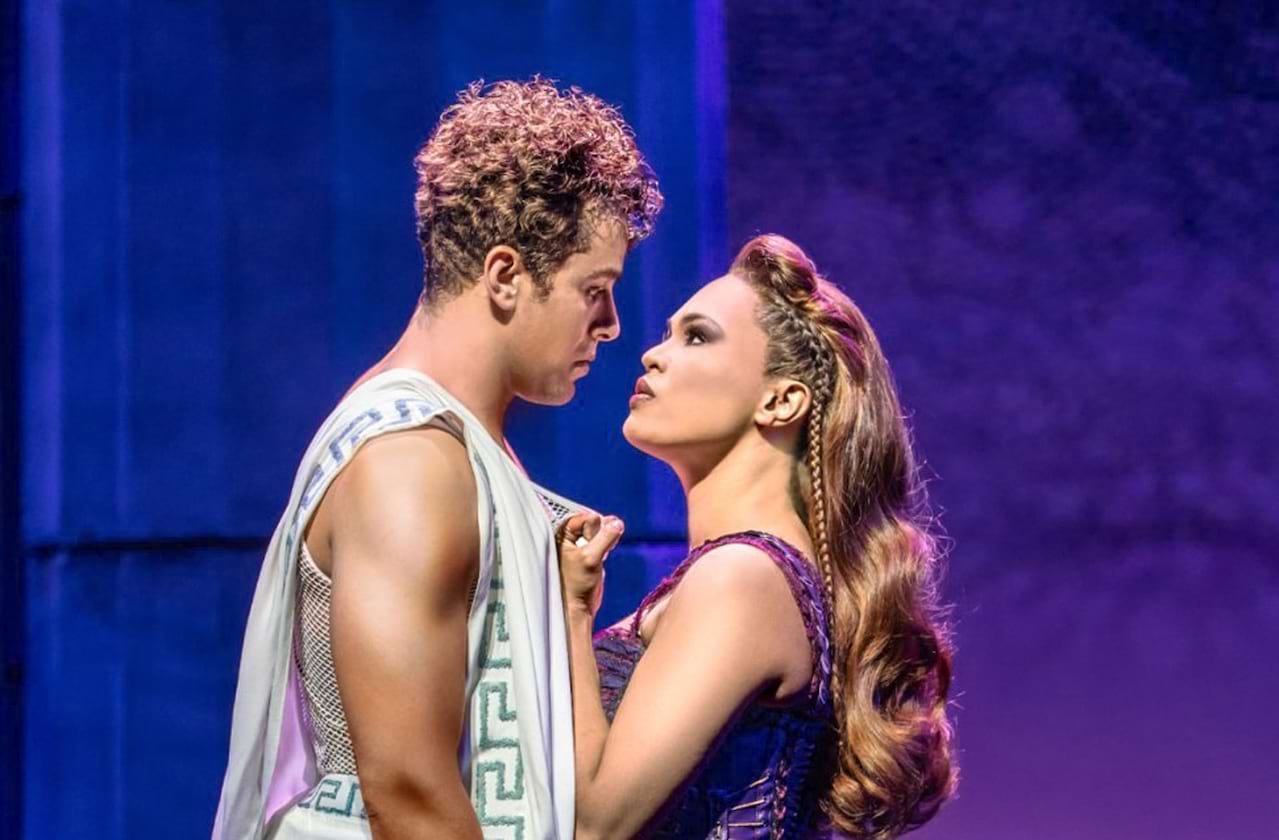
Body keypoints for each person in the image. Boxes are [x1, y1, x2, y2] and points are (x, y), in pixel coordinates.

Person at [212, 78, 662, 840]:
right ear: (505, 276)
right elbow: (409, 792)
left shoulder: (459, 449)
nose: (612, 324)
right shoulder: (410, 459)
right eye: (594, 289)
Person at [558, 234, 956, 838]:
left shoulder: (743, 578)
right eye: (667, 333)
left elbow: (594, 824)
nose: (654, 355)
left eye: (697, 337)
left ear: (781, 400)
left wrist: (569, 612)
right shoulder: (749, 575)